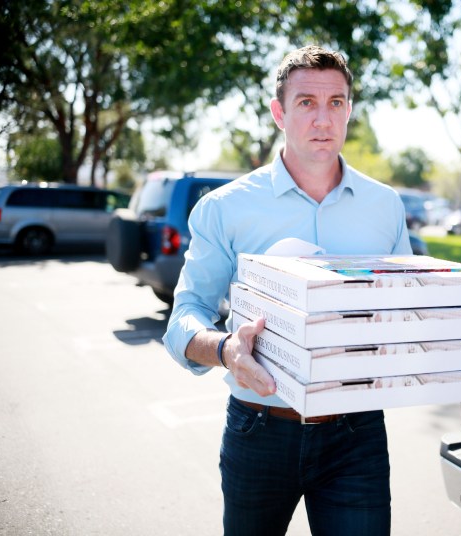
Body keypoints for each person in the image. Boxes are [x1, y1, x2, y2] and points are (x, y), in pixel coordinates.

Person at [163, 45, 412, 536]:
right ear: (279, 112)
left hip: (357, 431)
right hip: (259, 430)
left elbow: (403, 307)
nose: (323, 118)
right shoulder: (224, 208)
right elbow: (185, 316)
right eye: (306, 103)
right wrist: (227, 349)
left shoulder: (386, 207)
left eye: (336, 102)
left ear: (349, 110)